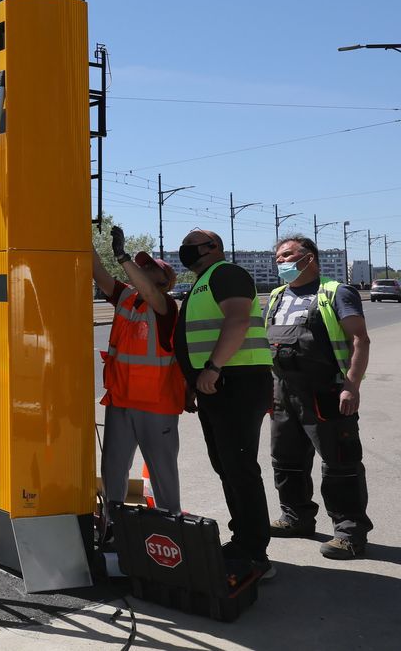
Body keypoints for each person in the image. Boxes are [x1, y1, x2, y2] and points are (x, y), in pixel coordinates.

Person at [173, 228, 275, 579]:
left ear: (212, 247)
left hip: (237, 382)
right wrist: (194, 383)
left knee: (240, 467)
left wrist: (213, 368)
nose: (184, 251)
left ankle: (255, 552)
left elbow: (238, 320)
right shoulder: (204, 281)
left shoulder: (227, 274)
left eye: (190, 246)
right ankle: (242, 539)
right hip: (218, 386)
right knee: (227, 466)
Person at [265, 236, 372, 559]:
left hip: (325, 392)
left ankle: (350, 533)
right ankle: (296, 518)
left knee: (340, 464)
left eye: (286, 256)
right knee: (286, 461)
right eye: (277, 258)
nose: (280, 262)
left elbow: (360, 340)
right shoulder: (276, 296)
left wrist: (351, 385)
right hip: (284, 391)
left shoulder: (336, 292)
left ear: (308, 258)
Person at [93, 227, 185, 529]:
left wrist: (123, 256)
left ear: (164, 282)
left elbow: (149, 293)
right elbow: (99, 273)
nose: (143, 268)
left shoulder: (166, 306)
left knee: (162, 473)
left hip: (156, 406)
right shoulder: (126, 298)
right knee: (113, 470)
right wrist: (81, 236)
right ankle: (112, 527)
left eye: (150, 267)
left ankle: (171, 529)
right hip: (121, 401)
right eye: (141, 265)